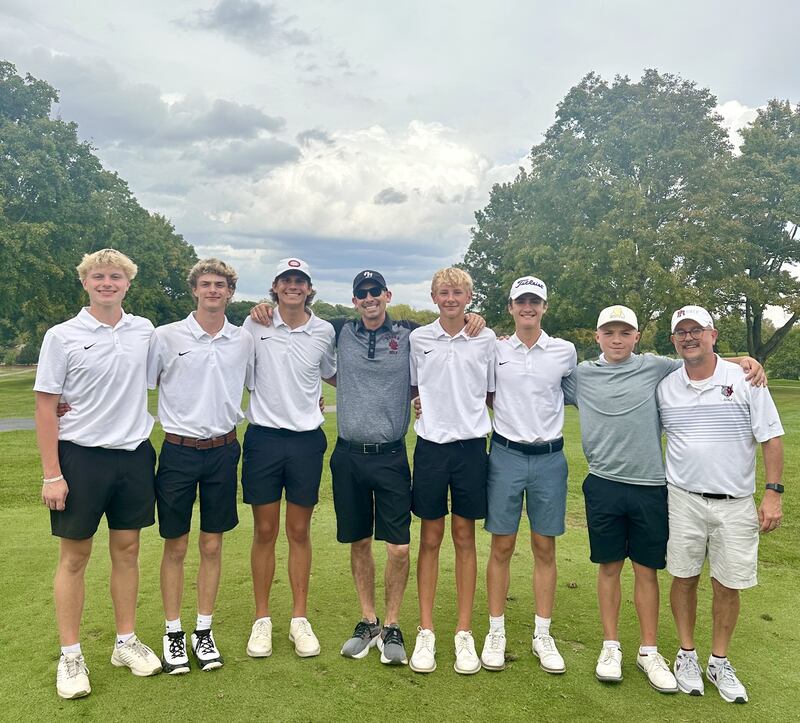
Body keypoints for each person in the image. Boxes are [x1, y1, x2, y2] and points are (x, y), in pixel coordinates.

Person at [250, 271, 485, 666]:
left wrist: (474, 321)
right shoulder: (339, 331)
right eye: (362, 293)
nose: (369, 298)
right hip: (348, 455)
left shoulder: (411, 335)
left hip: (391, 455)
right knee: (359, 542)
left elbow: (435, 371)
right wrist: (265, 309)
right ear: (354, 300)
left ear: (388, 295)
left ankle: (392, 623)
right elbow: (322, 369)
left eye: (376, 291)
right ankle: (368, 620)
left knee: (398, 547)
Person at [561, 305, 764, 694]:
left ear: (637, 337)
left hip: (651, 486)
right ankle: (610, 646)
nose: (617, 340)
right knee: (608, 567)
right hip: (602, 482)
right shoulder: (582, 375)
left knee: (645, 570)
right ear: (597, 337)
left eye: (625, 333)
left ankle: (649, 649)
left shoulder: (656, 367)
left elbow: (700, 358)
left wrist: (744, 361)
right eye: (609, 333)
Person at [35, 248, 162, 699]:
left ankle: (124, 642)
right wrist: (52, 473)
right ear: (85, 282)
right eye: (97, 276)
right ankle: (71, 655)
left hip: (133, 455)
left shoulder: (144, 330)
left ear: (128, 283)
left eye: (115, 276)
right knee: (75, 558)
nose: (107, 283)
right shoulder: (62, 335)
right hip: (80, 458)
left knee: (127, 551)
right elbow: (46, 404)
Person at [657, 305, 784, 704]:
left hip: (735, 501)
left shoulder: (745, 378)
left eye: (697, 330)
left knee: (728, 584)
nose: (689, 337)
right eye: (682, 332)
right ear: (674, 339)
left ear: (713, 334)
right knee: (684, 576)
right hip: (682, 498)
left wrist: (772, 492)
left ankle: (719, 660)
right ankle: (686, 654)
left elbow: (771, 437)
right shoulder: (666, 385)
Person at [147, 259, 254, 673]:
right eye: (206, 284)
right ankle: (173, 633)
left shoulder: (243, 339)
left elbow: (270, 380)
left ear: (230, 292)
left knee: (212, 544)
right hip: (177, 451)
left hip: (224, 451)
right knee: (175, 545)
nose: (213, 290)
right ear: (194, 289)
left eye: (221, 285)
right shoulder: (166, 336)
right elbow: (129, 380)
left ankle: (202, 630)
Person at [478, 276, 576, 674]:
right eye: (521, 302)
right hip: (505, 456)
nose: (528, 308)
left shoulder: (564, 351)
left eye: (535, 301)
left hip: (549, 458)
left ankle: (542, 634)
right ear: (511, 307)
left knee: (544, 548)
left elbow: (577, 390)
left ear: (545, 307)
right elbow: (481, 393)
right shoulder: (496, 349)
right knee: (501, 546)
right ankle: (496, 630)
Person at [241, 258, 336, 659]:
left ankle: (299, 619)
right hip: (263, 439)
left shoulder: (325, 330)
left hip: (305, 442)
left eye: (300, 281)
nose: (294, 287)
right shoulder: (255, 325)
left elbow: (333, 374)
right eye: (287, 281)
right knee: (265, 532)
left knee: (299, 532)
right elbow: (235, 372)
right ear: (276, 287)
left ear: (309, 289)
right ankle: (262, 619)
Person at [408, 267, 496, 675]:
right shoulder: (419, 338)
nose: (450, 298)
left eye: (457, 292)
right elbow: (413, 387)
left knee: (464, 536)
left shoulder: (485, 337)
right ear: (433, 297)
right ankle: (426, 630)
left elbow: (493, 391)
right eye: (443, 292)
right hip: (430, 448)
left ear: (468, 297)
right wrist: (417, 403)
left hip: (471, 449)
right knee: (430, 535)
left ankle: (463, 632)